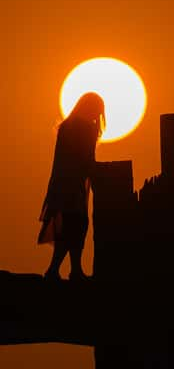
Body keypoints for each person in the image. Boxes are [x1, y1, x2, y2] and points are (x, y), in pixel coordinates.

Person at [38, 92, 106, 281]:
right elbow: (85, 159)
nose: (97, 115)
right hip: (71, 184)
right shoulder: (81, 128)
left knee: (74, 226)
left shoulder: (68, 126)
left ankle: (69, 269)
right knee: (75, 225)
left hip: (65, 183)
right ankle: (63, 270)